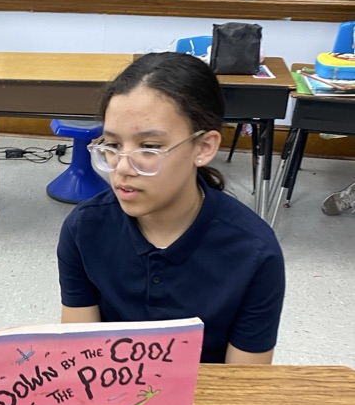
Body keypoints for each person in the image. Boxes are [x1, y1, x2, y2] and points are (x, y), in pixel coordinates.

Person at [57, 52, 285, 364]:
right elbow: (81, 357)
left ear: (203, 147)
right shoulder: (84, 229)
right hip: (110, 389)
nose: (122, 168)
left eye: (149, 147)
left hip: (209, 393)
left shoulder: (254, 252)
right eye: (112, 145)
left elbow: (245, 382)